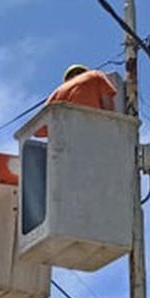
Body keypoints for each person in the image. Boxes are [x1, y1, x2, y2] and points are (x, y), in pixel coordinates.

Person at [22, 64, 120, 232]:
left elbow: (39, 131)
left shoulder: (58, 93)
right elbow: (109, 110)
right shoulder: (95, 76)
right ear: (84, 72)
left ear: (67, 79)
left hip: (67, 151)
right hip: (92, 141)